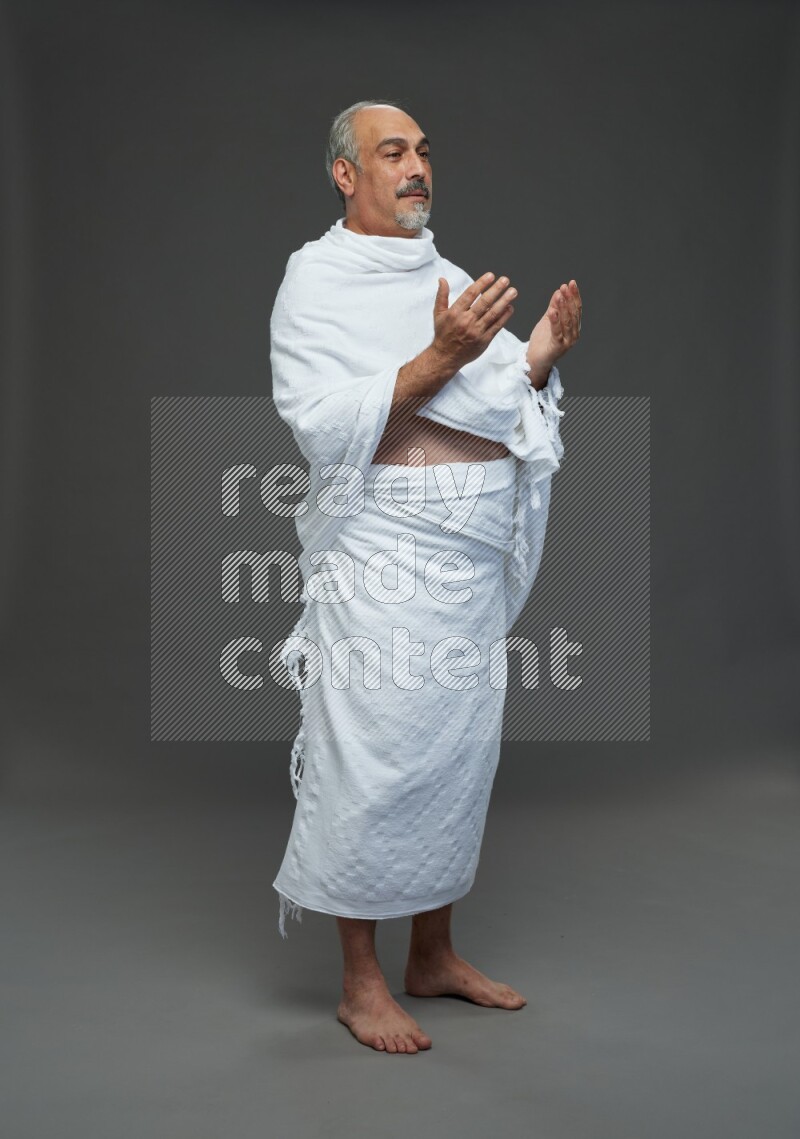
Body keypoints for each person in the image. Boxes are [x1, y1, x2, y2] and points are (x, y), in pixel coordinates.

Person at [270, 99, 582, 1054]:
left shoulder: (445, 273)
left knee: (456, 754)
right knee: (375, 752)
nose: (416, 168)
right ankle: (361, 978)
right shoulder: (315, 279)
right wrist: (439, 354)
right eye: (392, 152)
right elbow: (317, 417)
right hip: (384, 549)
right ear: (344, 172)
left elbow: (486, 401)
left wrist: (533, 362)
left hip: (470, 552)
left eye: (423, 153)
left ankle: (433, 954)